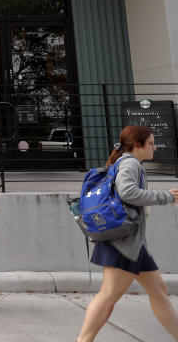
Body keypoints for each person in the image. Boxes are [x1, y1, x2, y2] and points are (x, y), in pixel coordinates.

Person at [75, 125, 178, 342]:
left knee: (159, 292)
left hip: (131, 242)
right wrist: (166, 196)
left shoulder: (126, 162)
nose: (155, 148)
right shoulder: (131, 164)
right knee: (108, 296)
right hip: (123, 243)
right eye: (151, 143)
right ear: (138, 145)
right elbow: (128, 192)